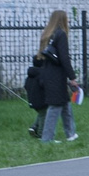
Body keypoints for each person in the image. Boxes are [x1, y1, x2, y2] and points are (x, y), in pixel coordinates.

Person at [31, 10, 77, 143]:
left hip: (47, 73)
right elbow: (64, 58)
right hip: (57, 75)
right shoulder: (61, 34)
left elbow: (40, 57)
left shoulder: (47, 35)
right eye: (67, 18)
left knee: (65, 103)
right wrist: (72, 77)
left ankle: (71, 134)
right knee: (55, 106)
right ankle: (47, 139)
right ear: (62, 19)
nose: (68, 20)